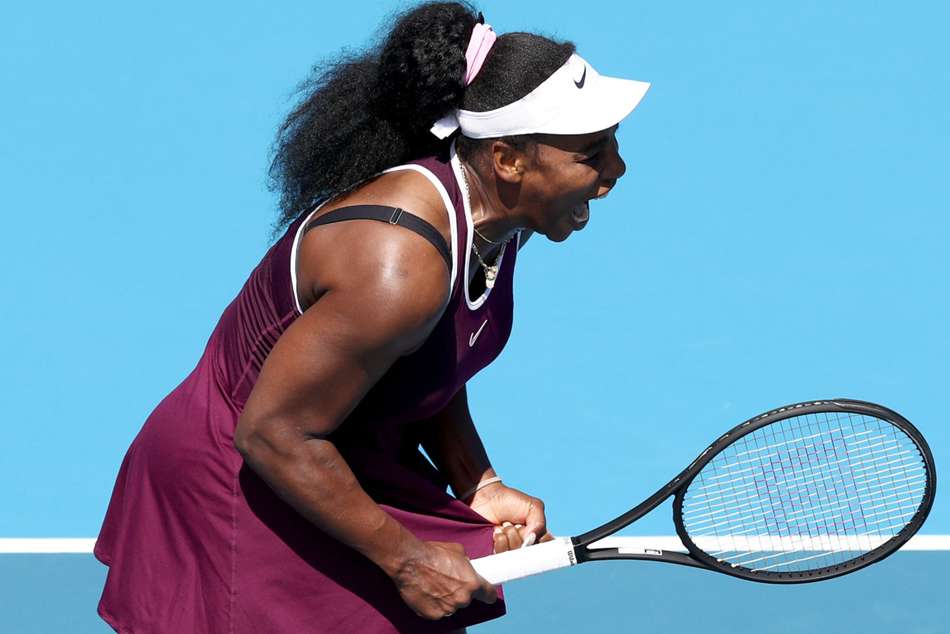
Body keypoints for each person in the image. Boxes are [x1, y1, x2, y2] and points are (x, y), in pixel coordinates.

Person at [93, 2, 649, 632]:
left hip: (335, 457)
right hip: (245, 487)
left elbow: (431, 360)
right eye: (592, 153)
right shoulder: (397, 268)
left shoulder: (494, 219)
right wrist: (407, 560)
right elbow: (273, 434)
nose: (616, 170)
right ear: (508, 159)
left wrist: (477, 481)